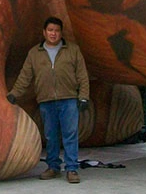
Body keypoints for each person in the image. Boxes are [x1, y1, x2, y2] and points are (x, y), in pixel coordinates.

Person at [7, 16, 90, 183]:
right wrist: (14, 93)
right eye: (50, 30)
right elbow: (25, 76)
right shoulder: (34, 53)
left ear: (61, 33)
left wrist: (83, 97)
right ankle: (53, 167)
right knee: (51, 136)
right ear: (44, 32)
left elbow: (82, 75)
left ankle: (72, 169)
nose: (53, 33)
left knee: (70, 134)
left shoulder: (72, 50)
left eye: (57, 31)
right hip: (46, 100)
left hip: (68, 99)